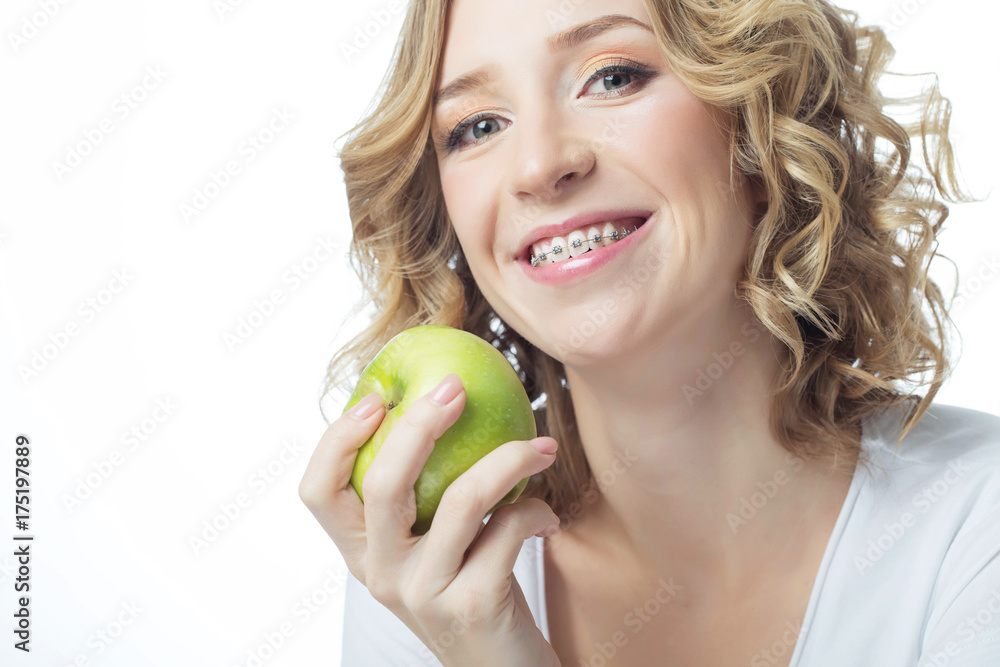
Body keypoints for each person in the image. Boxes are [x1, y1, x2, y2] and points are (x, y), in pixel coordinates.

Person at [299, 0, 1000, 664]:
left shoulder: (974, 522)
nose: (542, 166)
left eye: (612, 77)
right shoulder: (431, 581)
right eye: (478, 126)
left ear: (761, 122)